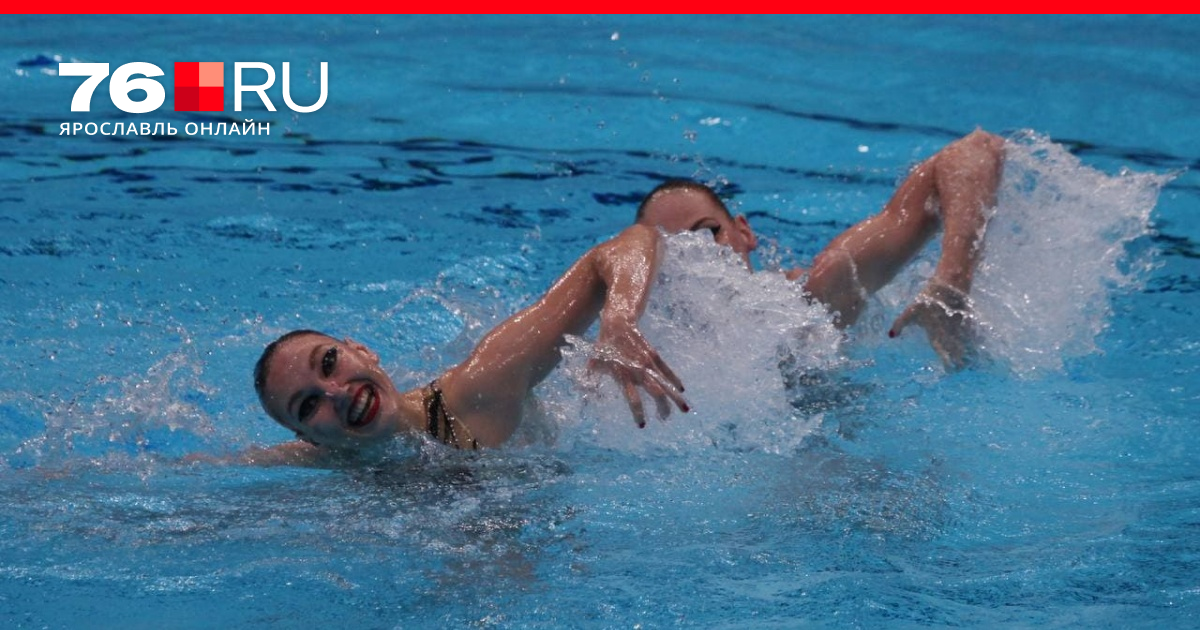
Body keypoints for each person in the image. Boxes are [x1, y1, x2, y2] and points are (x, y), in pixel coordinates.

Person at [247, 224, 688, 463]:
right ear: (310, 438)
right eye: (308, 406)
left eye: (329, 362)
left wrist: (619, 317)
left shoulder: (480, 389)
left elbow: (633, 240)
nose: (336, 393)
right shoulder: (333, 457)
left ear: (362, 351)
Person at [635, 129, 1005, 369]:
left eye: (707, 234)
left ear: (744, 233)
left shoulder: (808, 304)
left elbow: (977, 150)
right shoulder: (644, 347)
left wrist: (952, 283)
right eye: (673, 253)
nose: (698, 257)